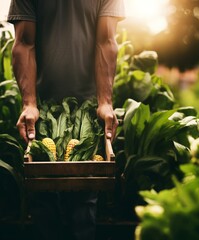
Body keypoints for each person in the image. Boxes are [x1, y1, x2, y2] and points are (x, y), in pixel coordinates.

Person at [7, 1, 125, 240]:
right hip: (43, 114)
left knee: (83, 208)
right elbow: (24, 43)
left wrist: (104, 102)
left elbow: (106, 41)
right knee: (43, 205)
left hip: (87, 114)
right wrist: (29, 104)